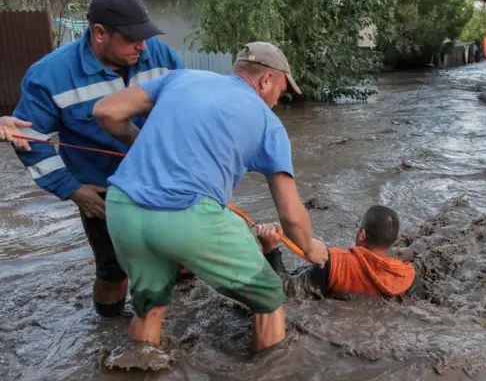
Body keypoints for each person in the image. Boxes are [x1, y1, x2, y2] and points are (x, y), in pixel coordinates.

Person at [92, 41, 329, 352]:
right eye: (281, 92)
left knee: (150, 307)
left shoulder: (181, 77)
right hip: (186, 216)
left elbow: (106, 111)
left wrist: (139, 145)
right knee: (270, 296)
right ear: (266, 79)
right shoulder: (268, 123)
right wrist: (310, 247)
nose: (276, 101)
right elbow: (290, 214)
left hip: (122, 207)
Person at [10, 0, 184, 318]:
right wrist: (73, 190)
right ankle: (107, 331)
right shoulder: (49, 76)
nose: (142, 46)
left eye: (145, 37)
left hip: (162, 181)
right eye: (132, 39)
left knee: (181, 255)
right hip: (103, 194)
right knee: (113, 274)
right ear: (100, 33)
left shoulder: (159, 55)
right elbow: (31, 140)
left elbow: (184, 110)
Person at [255, 205, 425, 299]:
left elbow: (285, 292)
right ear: (392, 241)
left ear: (362, 234)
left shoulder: (335, 264)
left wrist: (270, 248)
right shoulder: (408, 277)